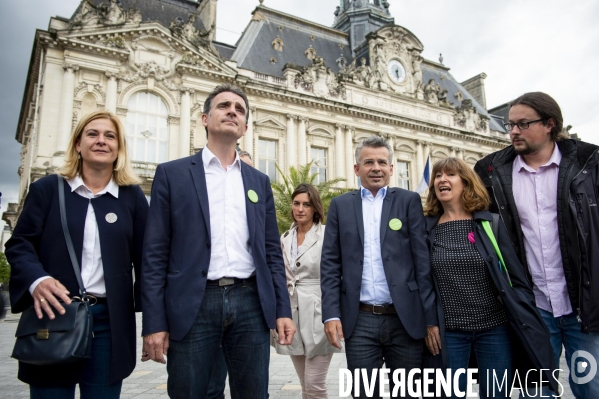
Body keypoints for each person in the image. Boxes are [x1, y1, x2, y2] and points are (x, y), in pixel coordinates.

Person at [141, 83, 296, 399]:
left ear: (246, 127)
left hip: (249, 300)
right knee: (190, 392)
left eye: (239, 110)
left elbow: (270, 250)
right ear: (204, 118)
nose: (232, 112)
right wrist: (154, 322)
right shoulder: (173, 174)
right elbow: (155, 253)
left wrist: (282, 309)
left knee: (253, 393)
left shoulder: (259, 182)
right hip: (195, 303)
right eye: (224, 106)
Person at [5, 110, 148, 398]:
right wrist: (37, 280)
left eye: (110, 136)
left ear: (119, 148)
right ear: (77, 144)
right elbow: (19, 245)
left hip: (110, 322)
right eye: (92, 134)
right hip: (54, 315)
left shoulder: (131, 196)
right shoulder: (47, 189)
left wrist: (156, 323)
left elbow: (147, 260)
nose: (101, 141)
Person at [475, 92, 599, 398]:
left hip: (582, 304)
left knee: (590, 388)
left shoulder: (590, 164)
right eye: (510, 125)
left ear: (549, 125)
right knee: (537, 393)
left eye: (523, 124)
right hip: (532, 308)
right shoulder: (490, 172)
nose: (513, 131)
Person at [422, 157, 557, 398]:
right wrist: (429, 322)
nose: (442, 179)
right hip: (449, 333)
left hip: (494, 329)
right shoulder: (425, 228)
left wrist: (520, 312)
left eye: (450, 175)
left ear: (466, 183)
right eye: (438, 176)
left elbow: (517, 278)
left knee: (497, 395)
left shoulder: (488, 223)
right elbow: (421, 281)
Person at [320, 136, 437, 398]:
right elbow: (330, 263)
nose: (376, 167)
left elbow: (422, 263)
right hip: (359, 320)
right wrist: (331, 314)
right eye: (369, 161)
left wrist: (430, 320)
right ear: (356, 168)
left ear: (392, 168)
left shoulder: (408, 201)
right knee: (363, 393)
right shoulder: (341, 205)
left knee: (407, 394)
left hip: (404, 318)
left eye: (382, 162)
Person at [273, 183, 340, 399]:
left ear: (315, 208)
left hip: (319, 312)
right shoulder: (285, 237)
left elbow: (337, 274)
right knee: (305, 385)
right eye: (296, 203)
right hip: (292, 313)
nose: (300, 209)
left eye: (306, 204)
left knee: (315, 384)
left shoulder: (326, 234)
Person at [207, 148, 253, 399]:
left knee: (250, 386)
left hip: (246, 295)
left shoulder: (258, 193)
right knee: (210, 385)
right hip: (205, 297)